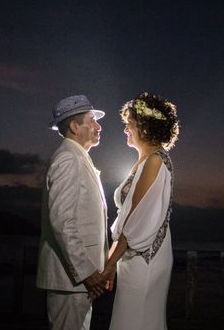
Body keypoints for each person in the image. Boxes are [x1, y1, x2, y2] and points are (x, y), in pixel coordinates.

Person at [102, 92, 180, 330]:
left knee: (136, 320)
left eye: (130, 123)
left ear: (145, 126)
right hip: (132, 255)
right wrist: (114, 262)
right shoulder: (145, 160)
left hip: (144, 257)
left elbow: (134, 220)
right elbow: (126, 217)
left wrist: (108, 266)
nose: (126, 128)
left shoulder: (156, 161)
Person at [36, 95, 110, 330]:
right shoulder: (68, 158)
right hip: (71, 279)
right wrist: (87, 272)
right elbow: (62, 222)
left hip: (78, 281)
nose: (98, 126)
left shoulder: (79, 156)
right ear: (75, 126)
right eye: (92, 120)